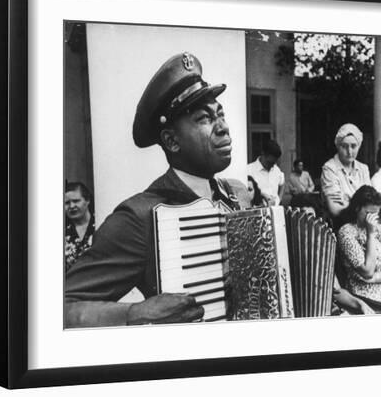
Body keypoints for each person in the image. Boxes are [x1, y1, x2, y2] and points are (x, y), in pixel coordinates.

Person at [64, 52, 249, 327]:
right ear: (172, 141)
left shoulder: (238, 195)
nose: (223, 127)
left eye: (220, 114)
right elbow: (61, 307)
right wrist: (134, 313)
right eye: (204, 118)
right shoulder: (138, 218)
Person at [320, 123, 371, 225]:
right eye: (344, 146)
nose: (349, 151)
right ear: (338, 146)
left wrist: (348, 201)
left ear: (359, 146)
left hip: (364, 223)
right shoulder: (330, 169)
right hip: (340, 224)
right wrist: (361, 205)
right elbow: (335, 210)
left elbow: (371, 202)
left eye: (353, 146)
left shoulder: (363, 169)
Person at [64, 182, 95, 271]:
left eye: (76, 201)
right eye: (67, 203)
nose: (72, 206)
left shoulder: (100, 225)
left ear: (87, 200)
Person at [247, 139, 285, 206]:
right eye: (269, 163)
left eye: (274, 163)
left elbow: (282, 183)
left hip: (275, 209)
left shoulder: (276, 170)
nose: (271, 166)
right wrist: (262, 195)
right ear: (263, 154)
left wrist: (279, 199)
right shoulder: (249, 170)